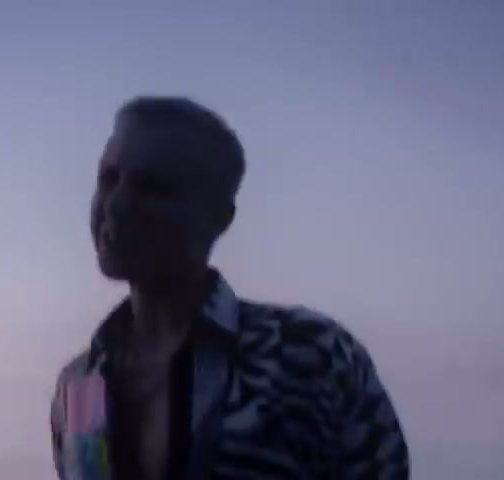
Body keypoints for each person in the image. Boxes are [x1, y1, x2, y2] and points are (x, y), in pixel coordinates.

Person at [49, 96, 410, 479]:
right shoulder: (79, 387)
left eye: (152, 188)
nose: (117, 204)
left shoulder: (310, 354)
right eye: (108, 178)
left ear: (219, 218)